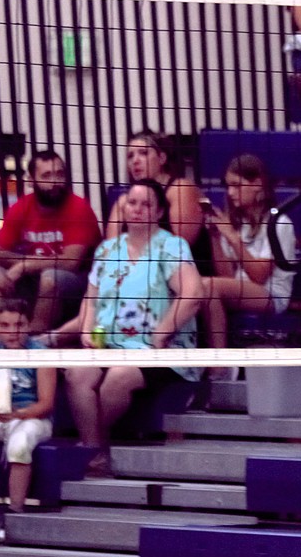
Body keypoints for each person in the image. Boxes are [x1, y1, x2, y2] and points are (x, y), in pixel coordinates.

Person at [58, 179, 204, 478]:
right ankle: (94, 449)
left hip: (159, 351)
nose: (137, 209)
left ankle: (96, 449)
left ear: (159, 210)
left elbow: (193, 294)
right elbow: (91, 298)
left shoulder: (171, 246)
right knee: (76, 372)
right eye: (132, 202)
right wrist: (86, 331)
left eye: (146, 204)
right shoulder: (107, 249)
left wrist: (162, 332)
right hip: (110, 345)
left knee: (118, 377)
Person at [200, 154, 295, 360]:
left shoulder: (280, 222)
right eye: (228, 186)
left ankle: (220, 362)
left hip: (272, 294)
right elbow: (226, 276)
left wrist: (232, 237)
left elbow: (260, 276)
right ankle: (214, 359)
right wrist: (215, 237)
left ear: (258, 184)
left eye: (237, 185)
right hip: (243, 289)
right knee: (200, 288)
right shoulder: (237, 224)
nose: (230, 192)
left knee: (205, 286)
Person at [0, 150, 101, 332]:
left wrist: (25, 265)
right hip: (31, 281)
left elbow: (71, 262)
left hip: (78, 284)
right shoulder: (21, 208)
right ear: (31, 181)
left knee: (50, 278)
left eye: (60, 174)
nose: (55, 182)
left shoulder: (78, 208)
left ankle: (35, 341)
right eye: (47, 175)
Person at [105, 130, 209, 267]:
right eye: (130, 156)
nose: (135, 161)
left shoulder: (180, 189)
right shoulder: (123, 201)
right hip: (134, 273)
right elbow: (110, 253)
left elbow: (179, 248)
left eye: (143, 153)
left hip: (182, 274)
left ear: (161, 158)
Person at [0, 298, 56, 513]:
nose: (12, 332)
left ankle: (14, 511)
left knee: (19, 444)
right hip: (2, 417)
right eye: (4, 326)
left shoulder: (41, 354)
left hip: (33, 418)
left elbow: (46, 404)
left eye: (19, 325)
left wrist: (17, 414)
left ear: (29, 325)